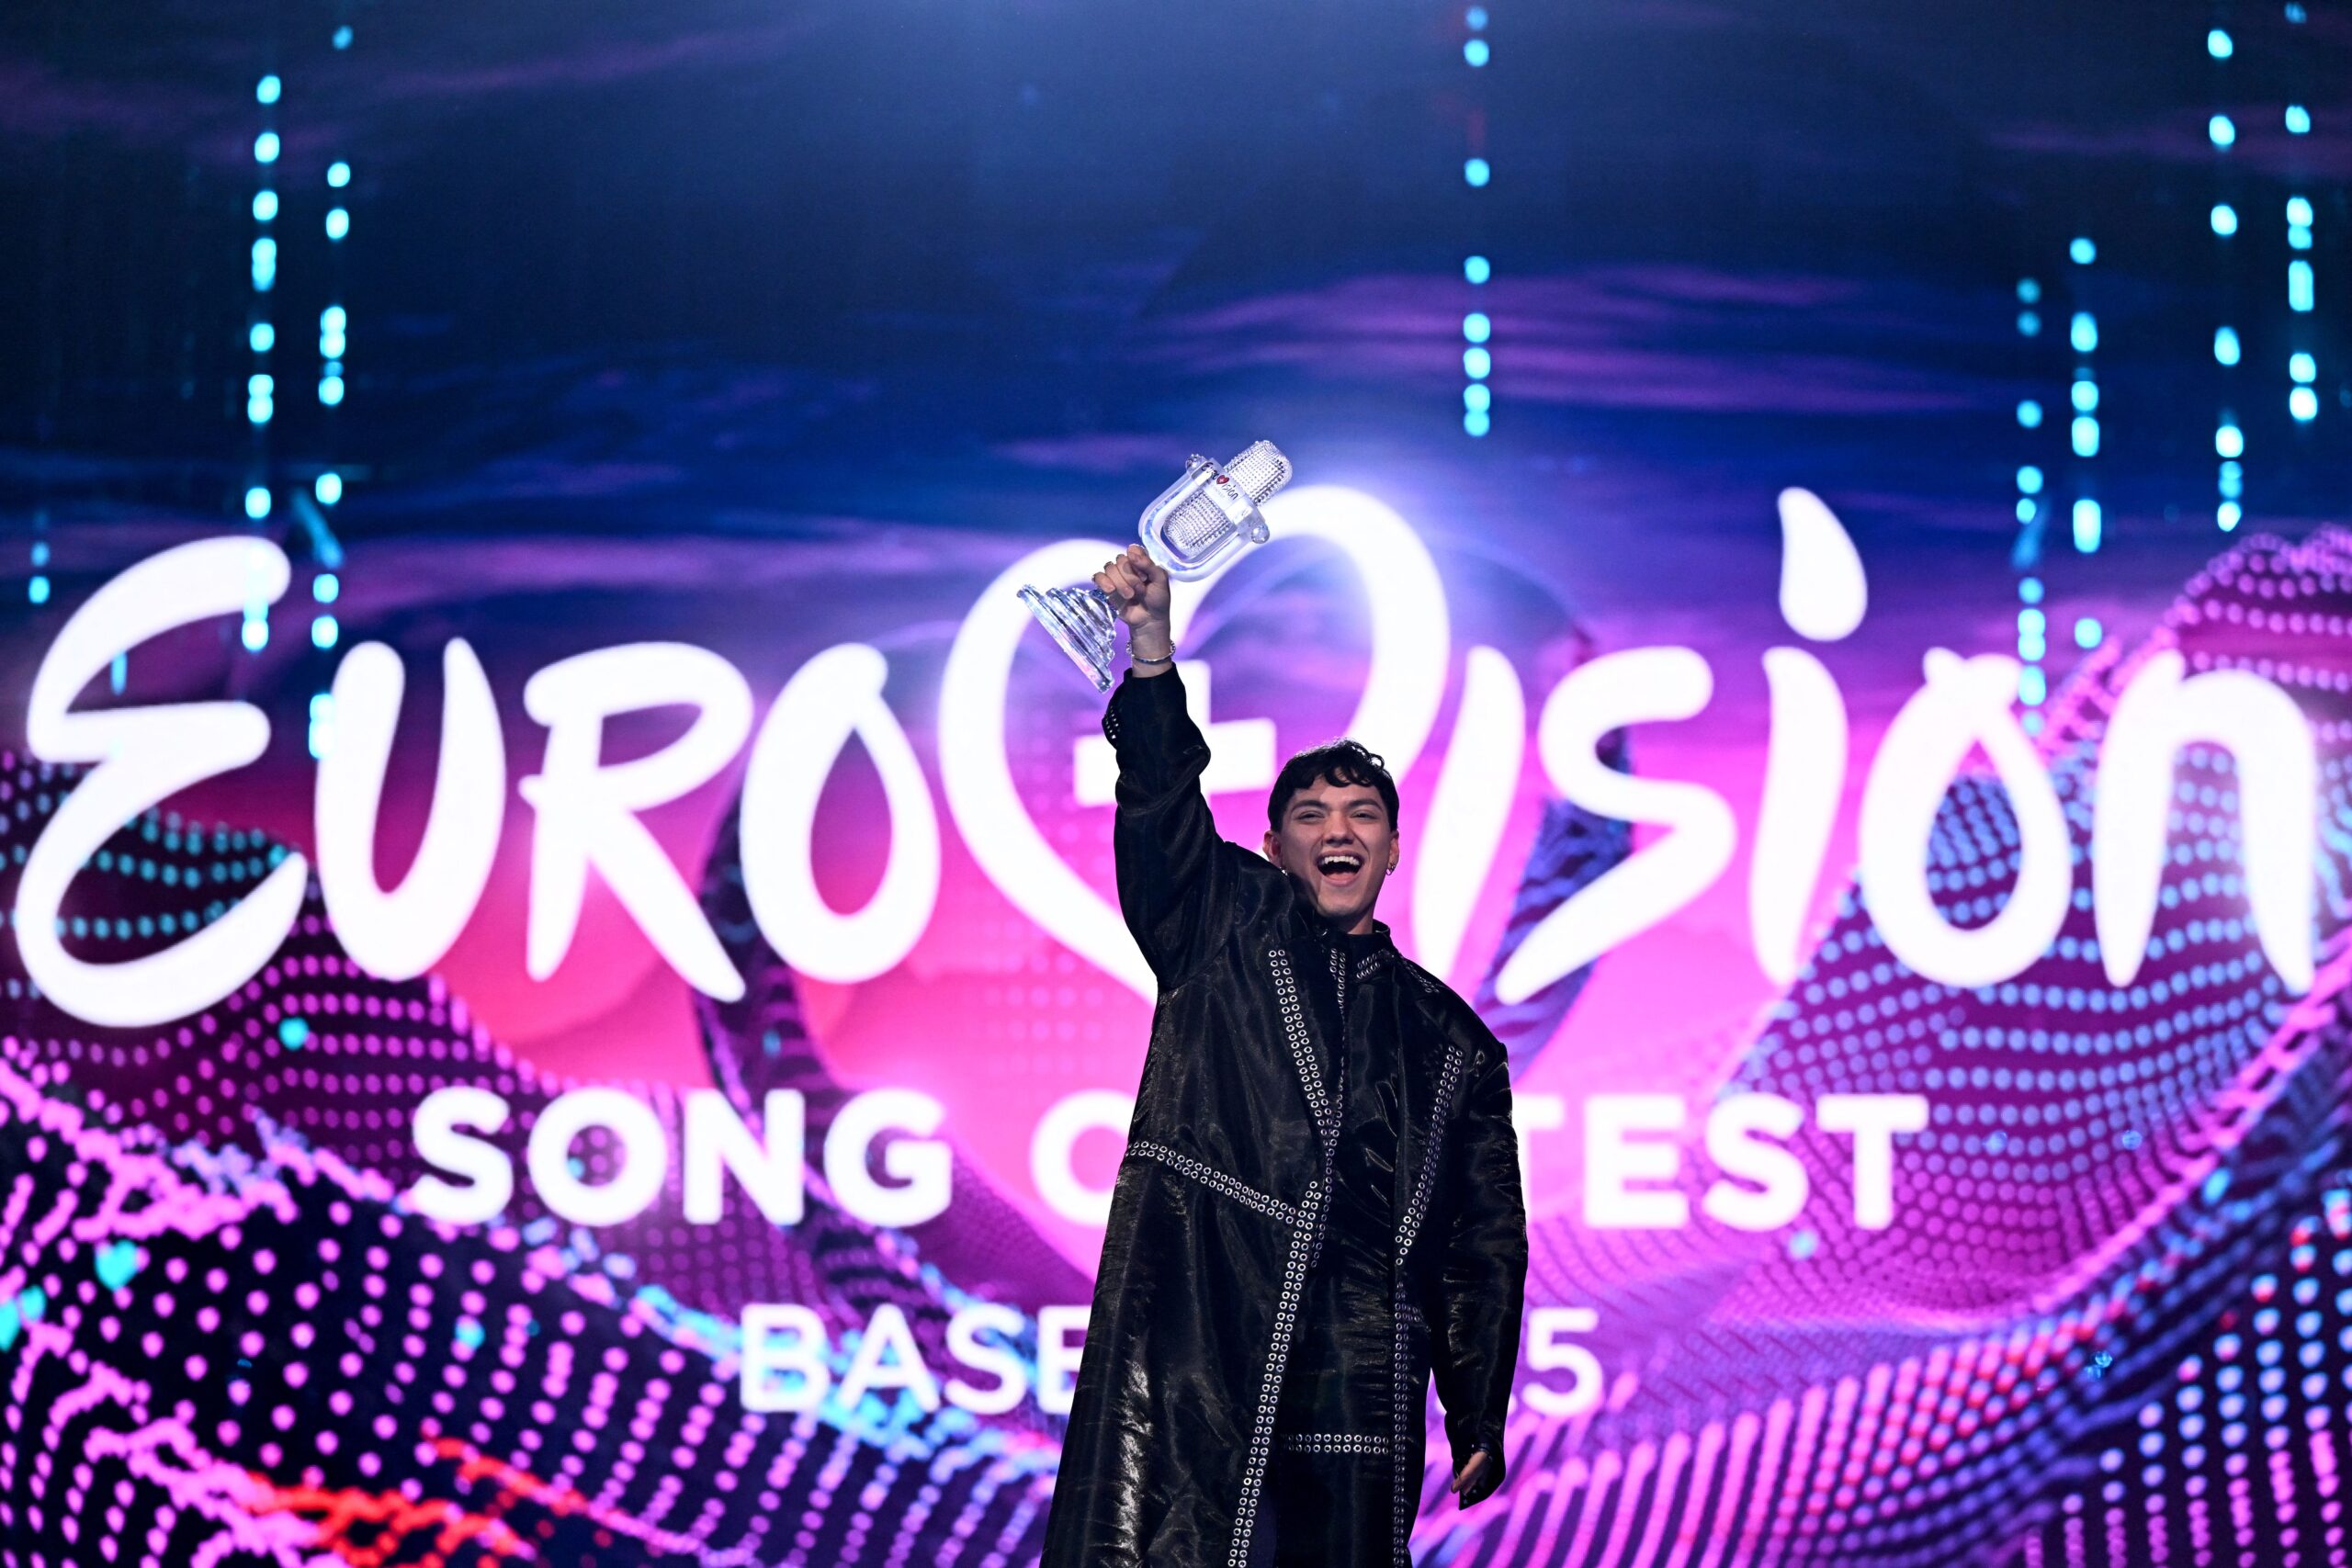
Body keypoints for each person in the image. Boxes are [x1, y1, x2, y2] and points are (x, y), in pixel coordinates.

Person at [1038, 545, 1529, 1568]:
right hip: (1195, 1345)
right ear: (1272, 848)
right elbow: (1164, 809)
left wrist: (1475, 1408)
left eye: (1360, 817)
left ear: (1393, 848)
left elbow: (1480, 1241)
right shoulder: (1220, 925)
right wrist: (1151, 655)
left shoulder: (1451, 1045)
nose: (1335, 831)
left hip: (1351, 1377)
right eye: (1309, 815)